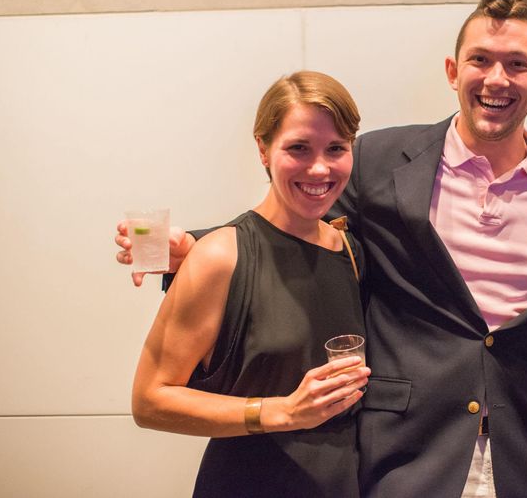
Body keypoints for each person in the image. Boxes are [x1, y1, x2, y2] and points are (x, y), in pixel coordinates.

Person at [118, 0, 527, 498]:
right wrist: (190, 245)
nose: (496, 78)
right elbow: (294, 217)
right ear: (452, 71)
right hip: (405, 456)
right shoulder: (380, 159)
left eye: (517, 64)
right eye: (479, 59)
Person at [130, 71, 371, 498]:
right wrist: (281, 412)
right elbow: (150, 401)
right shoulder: (220, 255)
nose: (319, 167)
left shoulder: (350, 251)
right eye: (298, 148)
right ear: (263, 149)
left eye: (336, 148)